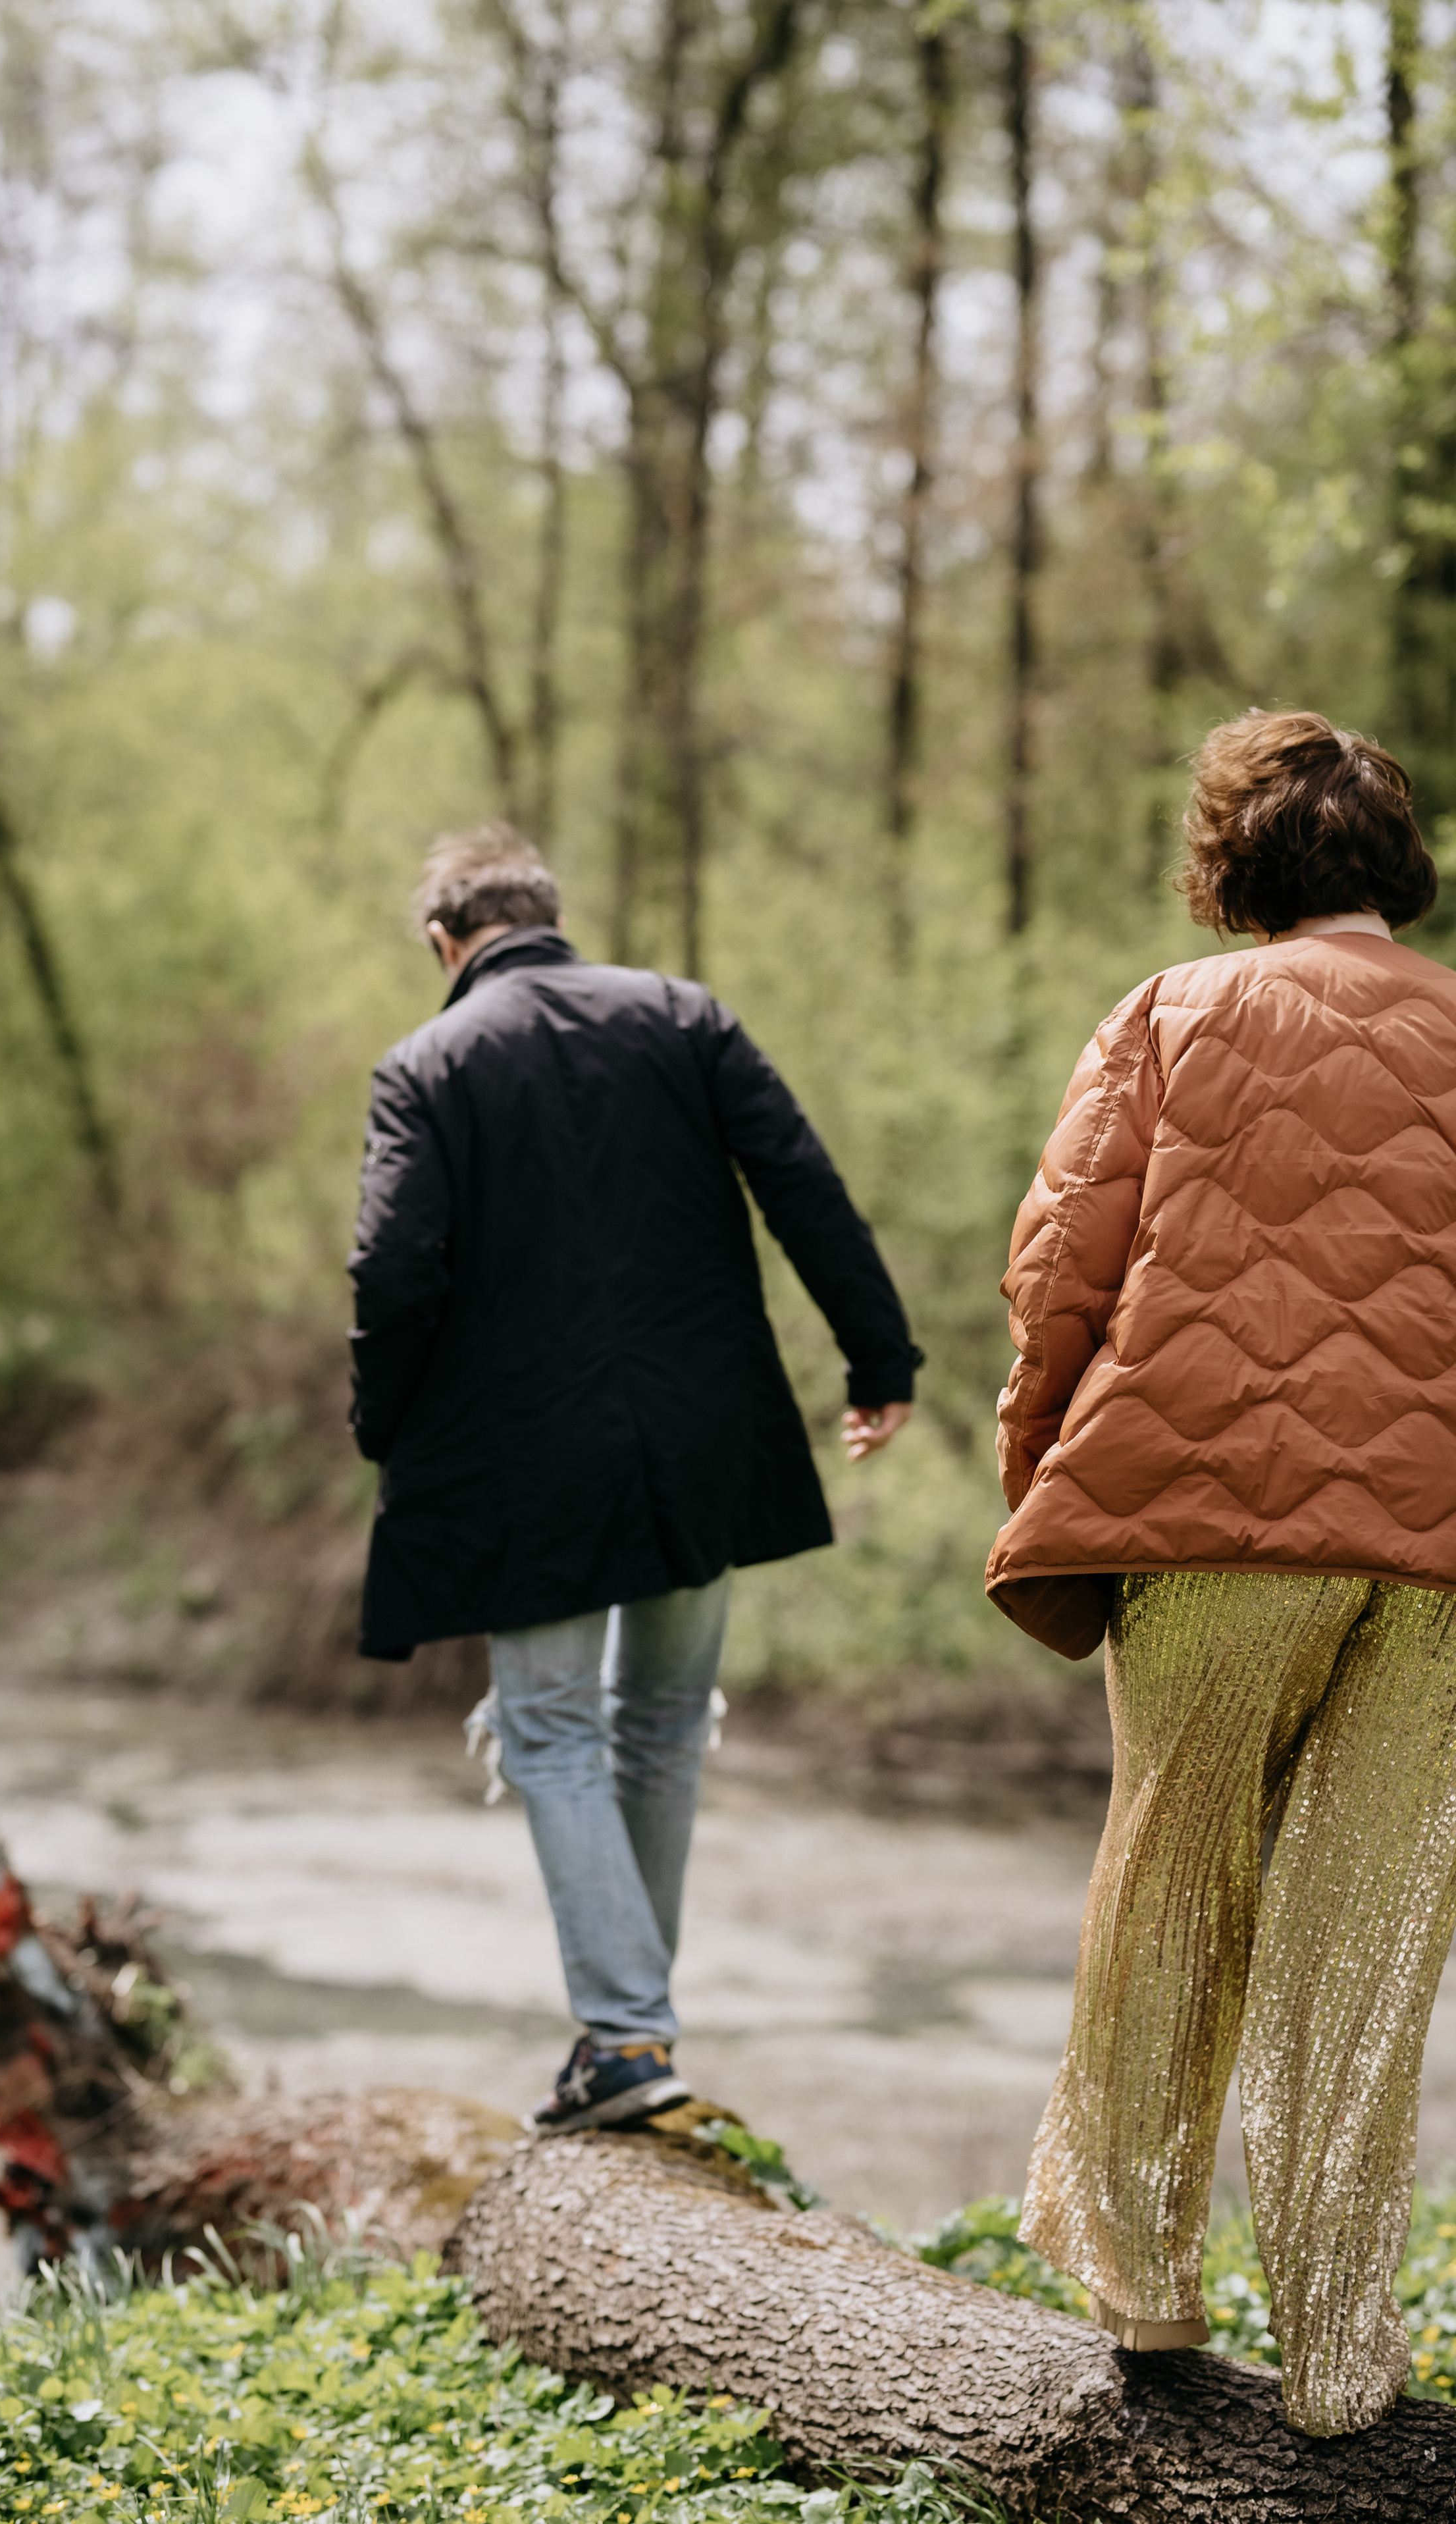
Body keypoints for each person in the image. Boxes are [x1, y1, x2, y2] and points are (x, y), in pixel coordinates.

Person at [984, 708, 1456, 2437]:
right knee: (1368, 1939)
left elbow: (1064, 1261)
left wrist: (1043, 1461)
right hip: (1438, 1554)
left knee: (1175, 1875)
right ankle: (1341, 2351)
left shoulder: (1177, 1013)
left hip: (1206, 1516)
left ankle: (1151, 2291)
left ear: (1232, 866)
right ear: (1395, 866)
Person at [348, 824, 920, 2132]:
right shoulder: (681, 1016)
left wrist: (385, 1427)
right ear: (547, 913)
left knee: (548, 1727)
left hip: (528, 1460)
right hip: (701, 1442)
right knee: (663, 1723)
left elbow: (391, 1274)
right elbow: (801, 1183)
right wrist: (875, 1353)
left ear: (445, 944)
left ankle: (621, 2040)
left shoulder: (424, 1065)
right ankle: (635, 2038)